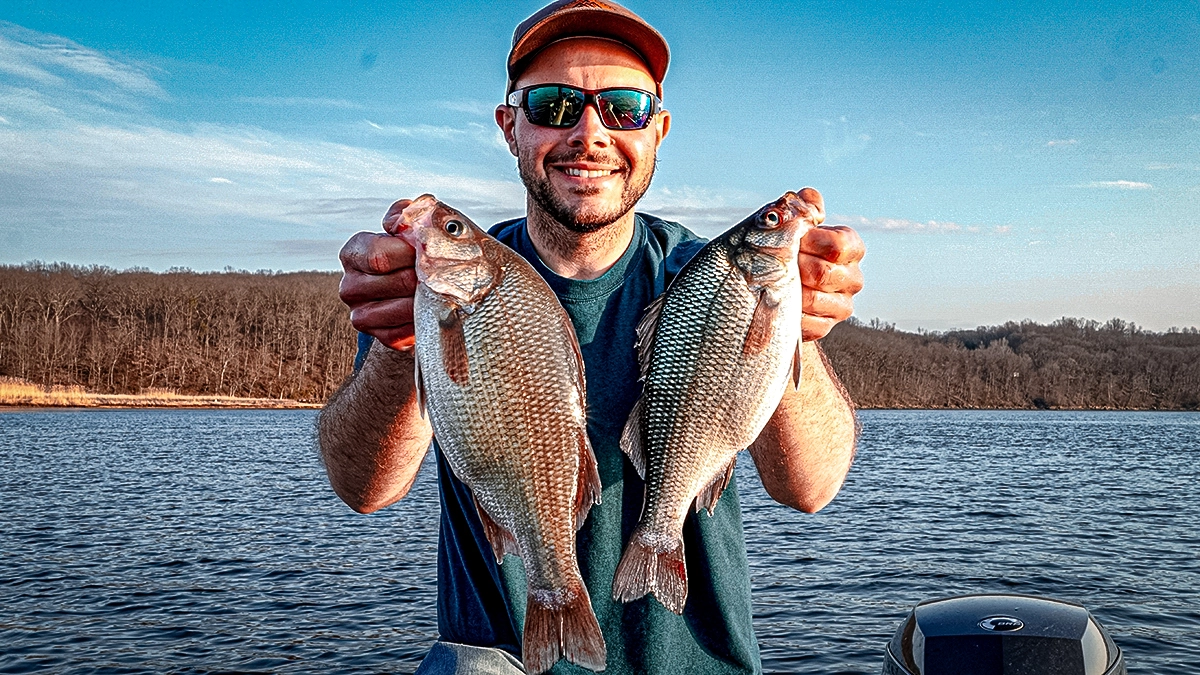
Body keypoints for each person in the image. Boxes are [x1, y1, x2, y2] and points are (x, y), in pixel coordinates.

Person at [318, 1, 865, 672]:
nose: (590, 133)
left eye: (625, 107)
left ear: (658, 131)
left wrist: (794, 328)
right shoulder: (440, 292)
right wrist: (399, 350)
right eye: (552, 105)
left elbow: (811, 488)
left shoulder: (707, 276)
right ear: (509, 127)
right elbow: (363, 489)